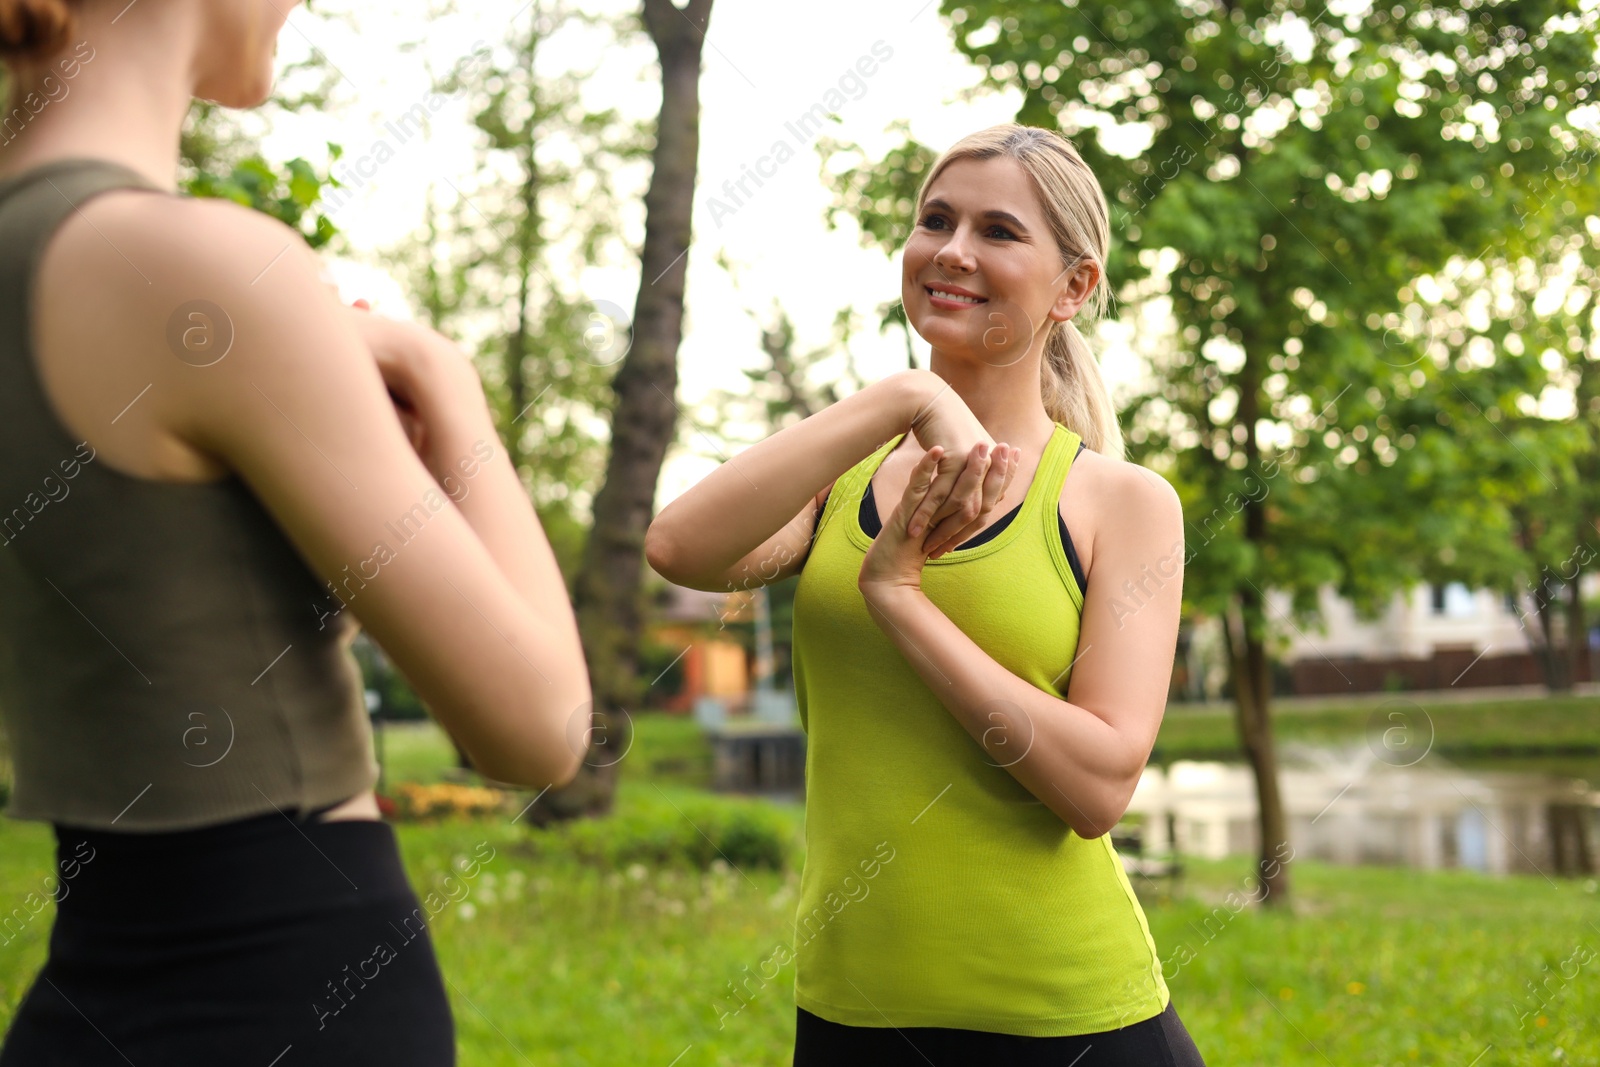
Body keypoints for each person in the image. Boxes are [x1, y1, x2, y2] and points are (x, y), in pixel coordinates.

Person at [0, 1, 590, 1062]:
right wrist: (448, 393)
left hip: (86, 999)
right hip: (299, 991)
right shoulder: (203, 266)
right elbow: (539, 728)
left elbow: (168, 607)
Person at [646, 123, 1206, 1065]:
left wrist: (900, 598)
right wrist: (899, 401)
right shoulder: (843, 479)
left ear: (1075, 287)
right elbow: (680, 545)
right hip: (855, 1012)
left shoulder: (1123, 503)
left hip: (1067, 1020)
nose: (952, 250)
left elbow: (1098, 783)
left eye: (999, 231)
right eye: (935, 220)